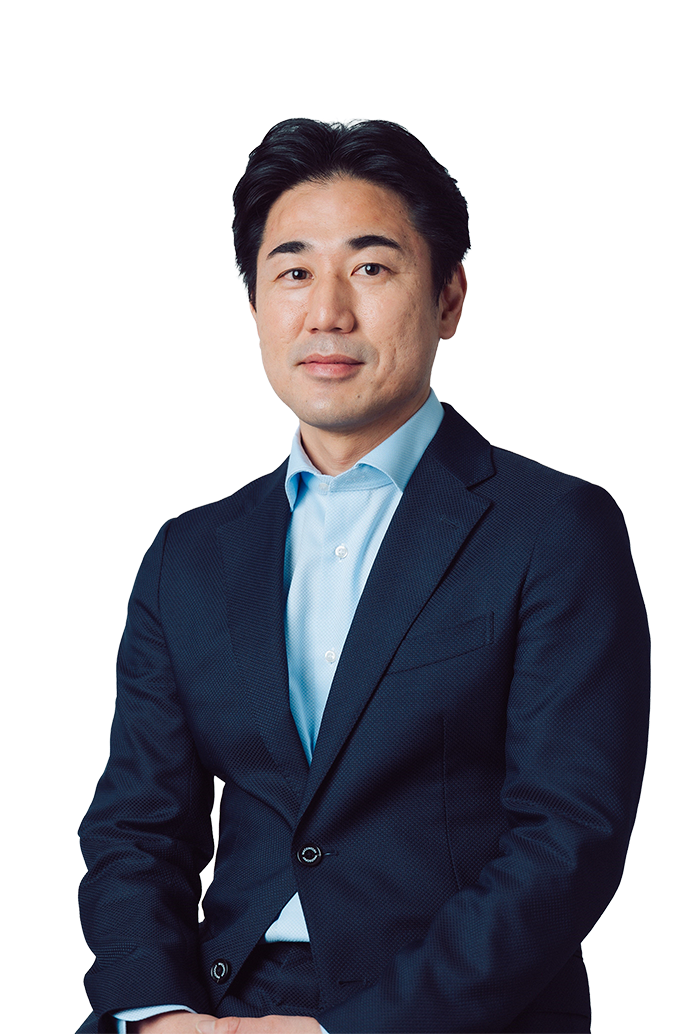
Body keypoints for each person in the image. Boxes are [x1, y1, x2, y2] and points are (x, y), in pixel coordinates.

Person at [77, 119, 650, 1034]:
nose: (327, 313)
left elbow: (566, 838)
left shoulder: (552, 528)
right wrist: (160, 1012)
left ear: (448, 299)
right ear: (256, 304)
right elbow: (136, 829)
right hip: (218, 998)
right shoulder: (190, 554)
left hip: (444, 1010)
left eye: (371, 267)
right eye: (292, 272)